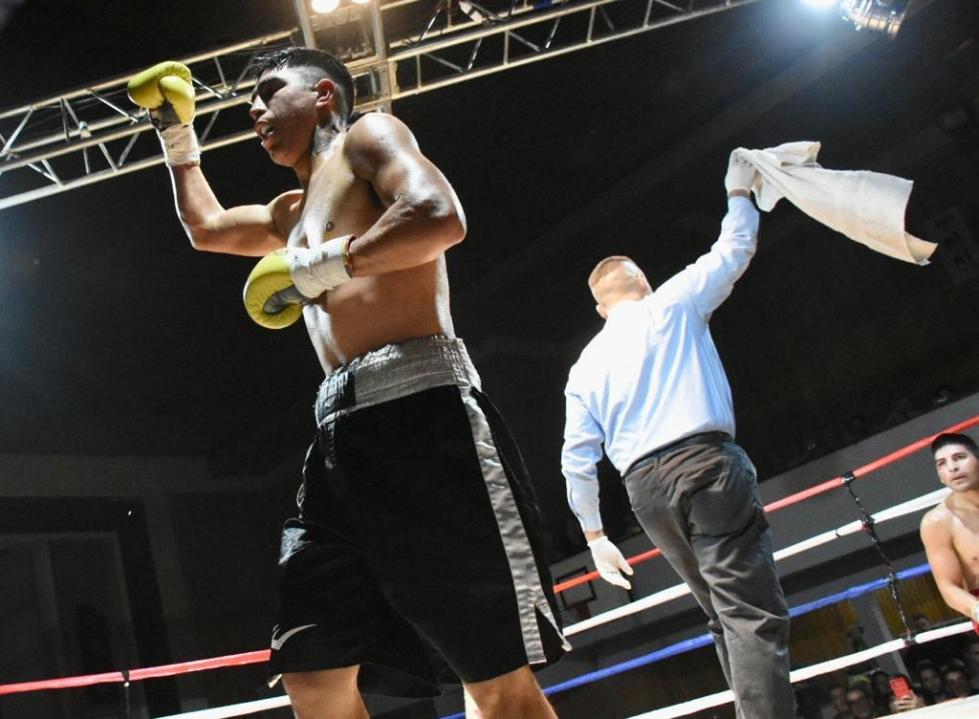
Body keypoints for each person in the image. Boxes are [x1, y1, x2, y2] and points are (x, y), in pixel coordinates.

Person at [127, 48, 567, 719]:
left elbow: (438, 216)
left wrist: (321, 266)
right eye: (251, 101)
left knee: (492, 676)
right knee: (314, 670)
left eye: (270, 91)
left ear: (324, 94)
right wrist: (175, 133)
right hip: (337, 439)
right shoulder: (290, 211)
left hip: (423, 417)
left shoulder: (369, 138)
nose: (255, 109)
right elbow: (206, 230)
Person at [560, 152, 793, 718]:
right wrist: (738, 193)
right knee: (746, 611)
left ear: (599, 308)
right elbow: (735, 247)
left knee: (720, 611)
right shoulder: (672, 301)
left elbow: (576, 459)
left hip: (645, 491)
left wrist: (595, 535)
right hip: (705, 466)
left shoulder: (584, 367)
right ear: (643, 281)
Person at [919, 433, 979, 634]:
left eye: (959, 458)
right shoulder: (937, 522)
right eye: (942, 464)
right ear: (940, 477)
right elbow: (948, 587)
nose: (952, 467)